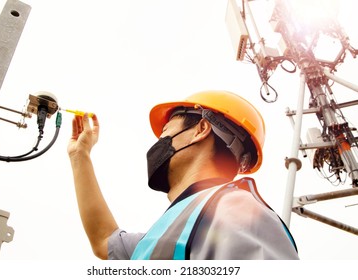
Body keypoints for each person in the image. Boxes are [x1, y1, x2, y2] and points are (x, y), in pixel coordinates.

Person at [67, 90, 299, 260]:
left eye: (166, 133)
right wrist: (80, 156)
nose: (159, 145)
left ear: (200, 130)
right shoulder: (163, 235)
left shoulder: (238, 211)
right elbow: (103, 241)